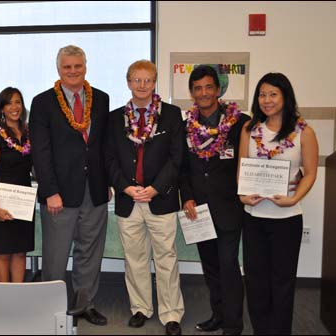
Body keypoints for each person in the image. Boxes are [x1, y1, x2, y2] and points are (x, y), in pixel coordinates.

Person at [28, 45, 110, 326]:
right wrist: (50, 191)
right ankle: (51, 308)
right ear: (58, 69)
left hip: (95, 190)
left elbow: (103, 146)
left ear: (85, 67)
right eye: (67, 67)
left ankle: (85, 304)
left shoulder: (101, 98)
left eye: (78, 66)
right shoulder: (42, 102)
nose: (73, 71)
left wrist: (107, 181)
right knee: (56, 254)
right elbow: (41, 152)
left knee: (90, 252)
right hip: (59, 193)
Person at [106, 60, 184, 335]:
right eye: (137, 80)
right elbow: (110, 158)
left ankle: (171, 313)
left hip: (160, 199)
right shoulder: (115, 118)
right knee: (135, 259)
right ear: (128, 82)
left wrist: (155, 188)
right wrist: (125, 187)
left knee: (166, 258)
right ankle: (140, 308)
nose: (142, 85)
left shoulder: (172, 115)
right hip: (128, 200)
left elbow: (177, 158)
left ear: (155, 82)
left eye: (148, 80)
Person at [238, 72, 318, 335]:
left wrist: (294, 197)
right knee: (256, 281)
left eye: (273, 94)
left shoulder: (303, 132)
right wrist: (242, 196)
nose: (267, 100)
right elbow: (241, 168)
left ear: (285, 96)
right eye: (262, 94)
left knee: (282, 282)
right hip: (254, 217)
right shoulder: (250, 130)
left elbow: (311, 172)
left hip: (287, 219)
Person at [179, 64, 250, 335]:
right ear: (192, 92)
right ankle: (218, 315)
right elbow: (182, 168)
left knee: (229, 266)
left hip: (230, 207)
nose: (204, 92)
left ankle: (233, 324)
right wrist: (186, 198)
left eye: (209, 87)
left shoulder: (239, 122)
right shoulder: (186, 126)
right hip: (198, 210)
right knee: (210, 267)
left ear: (218, 90)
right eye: (198, 88)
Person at [0, 87, 34, 282]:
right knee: (3, 253)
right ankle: (3, 296)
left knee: (21, 252)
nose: (14, 107)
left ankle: (17, 294)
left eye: (18, 102)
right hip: (1, 202)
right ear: (2, 108)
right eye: (9, 103)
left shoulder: (29, 134)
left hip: (23, 201)